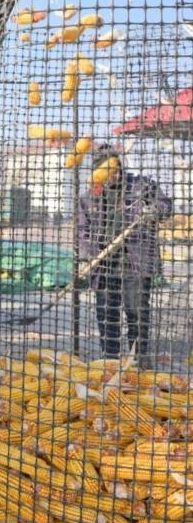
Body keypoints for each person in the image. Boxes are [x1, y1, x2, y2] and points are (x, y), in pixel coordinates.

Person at [78, 144, 172, 366]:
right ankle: (110, 361)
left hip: (136, 264)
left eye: (115, 169)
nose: (113, 175)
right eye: (106, 172)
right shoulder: (88, 197)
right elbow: (83, 231)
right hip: (105, 267)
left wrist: (155, 210)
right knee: (107, 317)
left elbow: (166, 205)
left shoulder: (141, 186)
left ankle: (138, 360)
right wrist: (88, 255)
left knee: (137, 314)